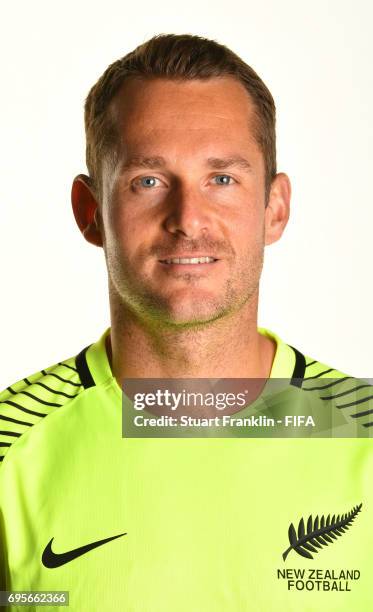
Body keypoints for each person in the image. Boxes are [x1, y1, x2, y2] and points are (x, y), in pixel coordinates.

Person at [0, 34, 372, 611]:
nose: (188, 218)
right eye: (147, 181)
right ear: (90, 211)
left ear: (275, 208)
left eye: (221, 179)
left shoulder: (364, 437)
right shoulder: (9, 446)